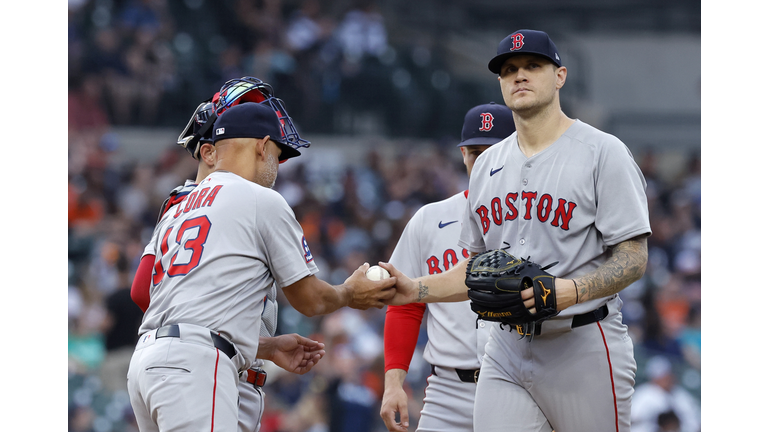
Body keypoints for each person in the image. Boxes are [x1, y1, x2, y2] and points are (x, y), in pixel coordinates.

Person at [381, 29, 650, 432]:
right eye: (509, 70)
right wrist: (416, 289)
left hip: (581, 342)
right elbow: (474, 270)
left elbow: (633, 258)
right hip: (506, 346)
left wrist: (569, 290)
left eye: (532, 66)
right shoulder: (487, 166)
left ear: (559, 76)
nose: (519, 75)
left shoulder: (602, 151)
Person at [127, 95, 397, 432]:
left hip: (147, 363)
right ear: (262, 146)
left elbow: (156, 297)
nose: (278, 166)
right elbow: (310, 299)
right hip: (194, 366)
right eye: (278, 155)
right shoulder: (260, 199)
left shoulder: (179, 205)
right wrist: (350, 293)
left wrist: (265, 346)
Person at [130, 77, 326, 432]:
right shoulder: (195, 199)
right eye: (244, 111)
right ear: (210, 147)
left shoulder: (187, 202)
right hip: (209, 365)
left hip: (220, 362)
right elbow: (143, 291)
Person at [379, 102, 516, 432]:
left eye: (494, 151)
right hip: (448, 389)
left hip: (518, 384)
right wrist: (394, 382)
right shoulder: (430, 219)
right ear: (463, 155)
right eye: (475, 152)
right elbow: (405, 305)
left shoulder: (538, 218)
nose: (483, 161)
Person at [631, 356, 700, 432]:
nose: (666, 378)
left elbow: (694, 419)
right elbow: (632, 419)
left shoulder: (680, 394)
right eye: (662, 375)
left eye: (667, 375)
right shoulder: (643, 394)